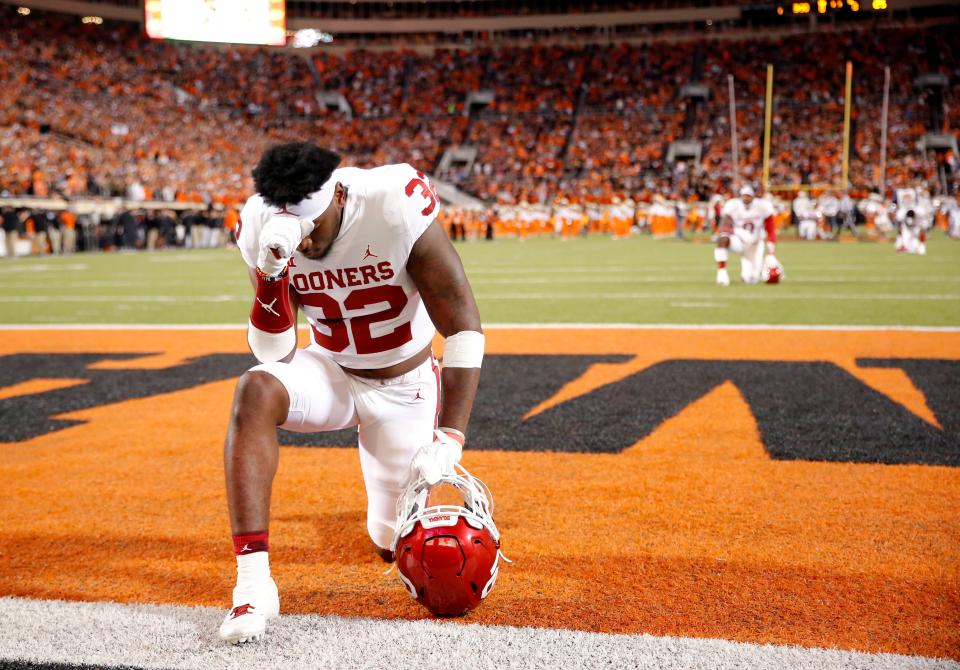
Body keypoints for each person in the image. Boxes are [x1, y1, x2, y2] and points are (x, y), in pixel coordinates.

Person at [219, 142, 484, 644]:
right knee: (255, 390)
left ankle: (389, 515)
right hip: (332, 371)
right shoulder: (259, 221)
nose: (309, 244)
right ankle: (252, 586)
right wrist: (272, 275)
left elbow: (463, 325)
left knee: (391, 543)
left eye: (313, 228)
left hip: (404, 385)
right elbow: (272, 352)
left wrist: (450, 436)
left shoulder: (392, 202)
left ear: (337, 193)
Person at [714, 185, 780, 286]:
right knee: (722, 238)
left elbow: (770, 230)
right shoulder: (733, 205)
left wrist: (771, 251)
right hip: (740, 240)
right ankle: (721, 274)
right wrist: (733, 231)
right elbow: (724, 225)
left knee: (751, 279)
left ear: (753, 196)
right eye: (744, 195)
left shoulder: (763, 206)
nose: (745, 198)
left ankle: (749, 273)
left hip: (755, 243)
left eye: (748, 195)